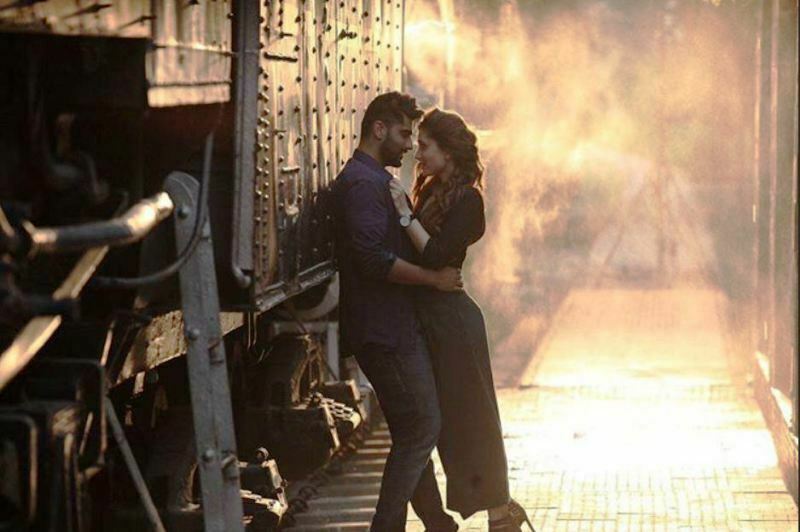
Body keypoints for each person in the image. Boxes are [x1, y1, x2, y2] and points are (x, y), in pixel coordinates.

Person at [388, 108, 535, 532]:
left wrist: (404, 214)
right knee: (438, 422)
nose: (418, 153)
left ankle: (500, 513)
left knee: (472, 418)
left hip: (453, 324)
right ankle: (487, 512)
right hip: (432, 318)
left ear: (448, 151)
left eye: (426, 146)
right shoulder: (432, 190)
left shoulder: (469, 200)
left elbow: (436, 255)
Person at [332, 92, 462, 531]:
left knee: (412, 429)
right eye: (405, 135)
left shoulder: (375, 180)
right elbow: (373, 260)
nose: (409, 146)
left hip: (390, 325)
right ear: (379, 129)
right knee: (423, 424)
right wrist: (433, 279)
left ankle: (437, 522)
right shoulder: (363, 185)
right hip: (384, 330)